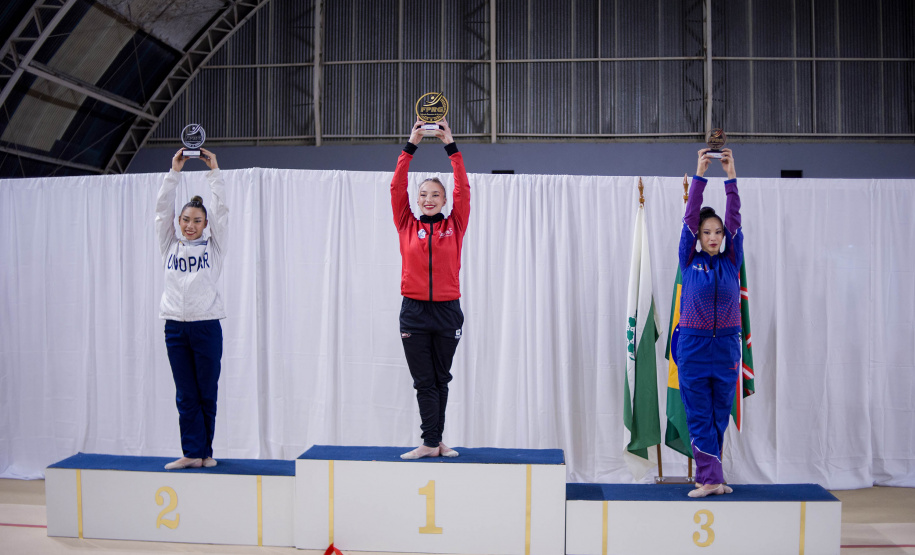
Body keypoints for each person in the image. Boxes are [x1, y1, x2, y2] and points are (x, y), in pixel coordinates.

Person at [391, 118, 469, 460]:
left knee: (441, 379)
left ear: (444, 200)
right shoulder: (406, 223)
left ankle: (435, 441)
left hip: (448, 309)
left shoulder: (456, 224)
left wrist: (450, 146)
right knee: (425, 381)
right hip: (415, 312)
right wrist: (412, 144)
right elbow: (396, 188)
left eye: (435, 195)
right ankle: (430, 442)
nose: (428, 199)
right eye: (423, 194)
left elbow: (463, 188)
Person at [155, 147, 228, 470]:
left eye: (197, 221)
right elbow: (161, 210)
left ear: (205, 224)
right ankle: (191, 452)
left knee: (206, 393)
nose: (189, 225)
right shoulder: (169, 243)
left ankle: (205, 452)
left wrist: (214, 172)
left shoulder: (214, 247)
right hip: (175, 326)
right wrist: (175, 172)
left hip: (206, 325)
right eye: (185, 220)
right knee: (185, 394)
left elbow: (222, 210)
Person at [677, 147, 742, 497]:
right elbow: (689, 217)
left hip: (727, 345)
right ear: (698, 237)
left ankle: (710, 477)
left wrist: (731, 177)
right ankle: (711, 478)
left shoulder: (731, 260)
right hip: (694, 346)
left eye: (718, 231)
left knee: (719, 415)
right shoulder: (690, 261)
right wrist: (700, 173)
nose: (714, 236)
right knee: (700, 415)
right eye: (707, 232)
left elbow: (735, 220)